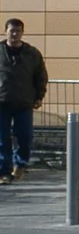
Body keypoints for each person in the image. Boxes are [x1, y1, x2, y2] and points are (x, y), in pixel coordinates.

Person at [0, 19, 46, 182]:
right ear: (5, 31)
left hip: (24, 102)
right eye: (12, 30)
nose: (15, 34)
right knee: (2, 139)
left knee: (25, 137)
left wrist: (39, 96)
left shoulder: (32, 53)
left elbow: (41, 76)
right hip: (2, 102)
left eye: (18, 31)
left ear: (22, 32)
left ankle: (19, 165)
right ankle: (4, 172)